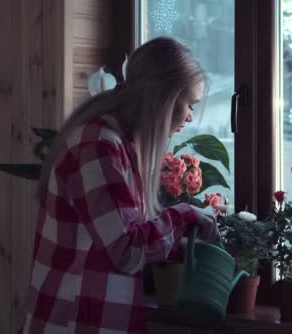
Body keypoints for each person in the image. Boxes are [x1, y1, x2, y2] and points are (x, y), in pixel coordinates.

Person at [20, 37, 220, 333]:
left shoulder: (121, 145)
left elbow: (118, 241)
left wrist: (180, 247)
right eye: (189, 103)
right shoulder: (97, 145)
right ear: (162, 97)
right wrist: (186, 214)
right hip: (72, 322)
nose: (190, 116)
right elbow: (127, 250)